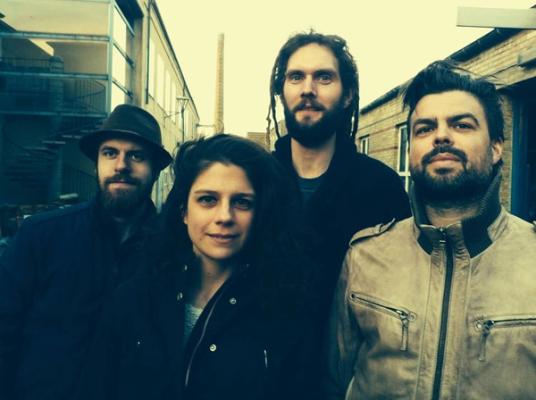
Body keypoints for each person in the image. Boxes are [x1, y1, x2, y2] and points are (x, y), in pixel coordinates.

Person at [326, 60, 536, 399]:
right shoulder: (365, 256)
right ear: (411, 150)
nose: (441, 136)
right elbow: (334, 382)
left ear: (497, 147)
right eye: (424, 129)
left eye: (462, 125)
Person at [76, 134, 317, 400]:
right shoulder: (135, 298)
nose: (224, 216)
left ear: (260, 214)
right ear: (184, 211)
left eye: (242, 202)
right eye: (207, 200)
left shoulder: (284, 310)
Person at [0, 104, 172, 400]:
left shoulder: (171, 252)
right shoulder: (41, 236)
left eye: (136, 155)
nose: (121, 165)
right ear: (96, 164)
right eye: (110, 153)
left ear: (155, 171)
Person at [269, 31, 411, 317]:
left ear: (347, 95)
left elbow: (404, 287)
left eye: (324, 77)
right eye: (296, 77)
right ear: (282, 93)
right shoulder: (257, 181)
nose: (308, 89)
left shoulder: (380, 187)